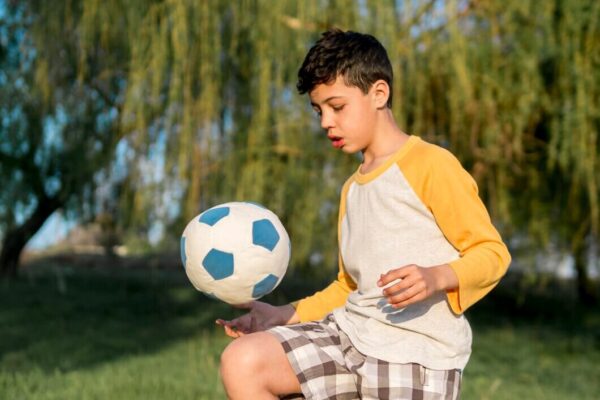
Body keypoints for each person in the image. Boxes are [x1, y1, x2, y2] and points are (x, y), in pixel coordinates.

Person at [217, 28, 511, 399]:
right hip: (348, 335)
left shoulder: (432, 165)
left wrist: (438, 276)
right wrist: (281, 315)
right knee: (243, 361)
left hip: (414, 355)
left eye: (337, 107)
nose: (325, 121)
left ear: (379, 93)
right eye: (318, 110)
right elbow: (349, 286)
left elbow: (493, 254)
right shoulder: (352, 189)